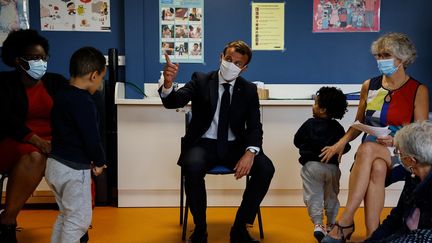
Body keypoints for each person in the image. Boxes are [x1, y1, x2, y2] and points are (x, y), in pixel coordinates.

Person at [160, 40, 275, 243]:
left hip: (235, 147)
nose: (232, 65)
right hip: (203, 144)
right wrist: (168, 84)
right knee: (192, 167)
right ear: (221, 57)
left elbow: (255, 127)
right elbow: (173, 102)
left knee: (265, 168)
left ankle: (240, 228)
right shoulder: (201, 79)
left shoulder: (248, 90)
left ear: (244, 68)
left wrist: (250, 153)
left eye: (238, 63)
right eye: (229, 59)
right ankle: (200, 229)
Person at [321, 33, 429, 243]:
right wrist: (340, 143)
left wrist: (397, 139)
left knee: (367, 151)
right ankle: (373, 234)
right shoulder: (369, 85)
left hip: (402, 152)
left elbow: (420, 135)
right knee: (377, 166)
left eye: (386, 55)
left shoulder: (418, 90)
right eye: (378, 55)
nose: (381, 60)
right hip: (370, 154)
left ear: (402, 58)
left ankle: (345, 221)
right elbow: (358, 123)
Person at [0, 29, 68, 242]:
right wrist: (36, 140)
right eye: (34, 58)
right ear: (18, 60)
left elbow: (71, 112)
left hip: (52, 144)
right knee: (35, 155)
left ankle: (76, 223)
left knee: (71, 160)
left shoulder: (56, 82)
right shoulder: (4, 83)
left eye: (43, 57)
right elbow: (4, 118)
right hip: (15, 141)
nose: (41, 62)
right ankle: (8, 221)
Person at [45, 46, 107, 243]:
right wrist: (99, 161)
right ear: (94, 75)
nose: (101, 83)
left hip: (54, 165)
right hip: (72, 170)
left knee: (65, 215)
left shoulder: (61, 94)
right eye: (102, 78)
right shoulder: (85, 102)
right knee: (79, 221)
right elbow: (91, 137)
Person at [294, 87, 351, 242]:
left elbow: (296, 140)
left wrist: (307, 148)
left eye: (315, 103)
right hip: (332, 169)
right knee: (332, 196)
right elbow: (345, 146)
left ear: (322, 109)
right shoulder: (338, 127)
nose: (313, 106)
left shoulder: (309, 124)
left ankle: (318, 224)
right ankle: (332, 225)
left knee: (314, 195)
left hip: (312, 167)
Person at [364, 121, 432, 243]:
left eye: (399, 153)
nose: (397, 156)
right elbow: (395, 218)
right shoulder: (413, 178)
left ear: (411, 160)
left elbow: (422, 236)